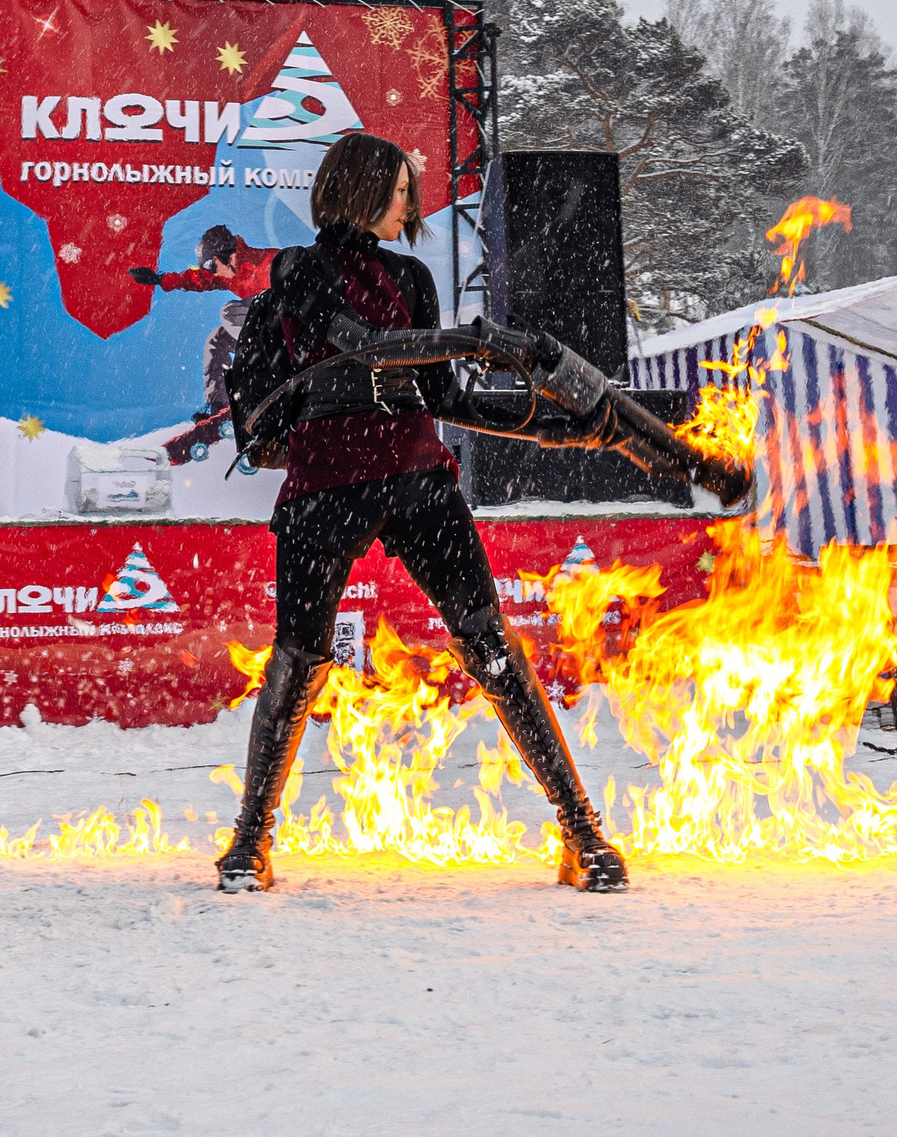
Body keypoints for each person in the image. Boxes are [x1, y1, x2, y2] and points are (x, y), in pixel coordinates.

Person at [215, 132, 629, 896]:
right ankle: (249, 844)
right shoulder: (299, 271)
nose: (410, 202)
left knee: (491, 643)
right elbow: (326, 362)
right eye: (401, 189)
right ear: (365, 189)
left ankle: (582, 832)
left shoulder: (410, 275)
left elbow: (448, 399)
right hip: (328, 481)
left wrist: (559, 421)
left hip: (413, 475)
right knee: (297, 656)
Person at [130, 226, 280, 419]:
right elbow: (197, 279)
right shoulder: (226, 273)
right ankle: (220, 406)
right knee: (216, 340)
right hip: (260, 333)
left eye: (210, 266)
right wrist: (159, 279)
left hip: (283, 332)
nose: (212, 274)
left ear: (224, 257)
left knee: (230, 312)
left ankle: (264, 362)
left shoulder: (267, 263)